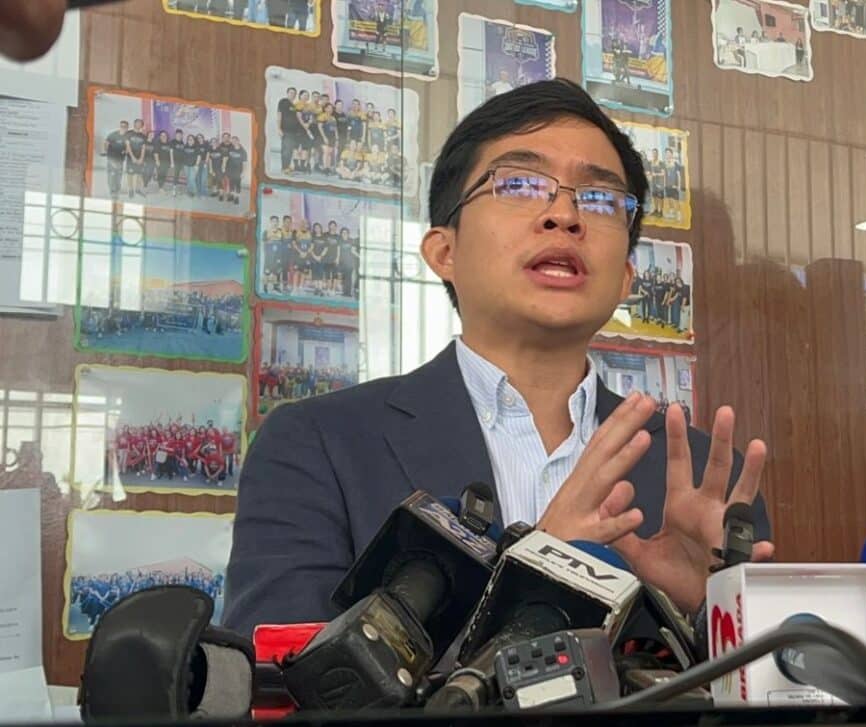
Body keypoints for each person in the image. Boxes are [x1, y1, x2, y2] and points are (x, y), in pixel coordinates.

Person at [223, 79, 772, 636]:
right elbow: (283, 678)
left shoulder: (706, 480)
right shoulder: (319, 445)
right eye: (520, 184)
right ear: (445, 251)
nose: (566, 215)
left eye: (599, 199)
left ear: (627, 277)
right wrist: (539, 573)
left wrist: (704, 619)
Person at [103, 121, 129, 198]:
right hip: (112, 159)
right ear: (119, 126)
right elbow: (106, 144)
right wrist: (108, 154)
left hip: (120, 160)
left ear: (127, 128)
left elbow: (128, 147)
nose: (123, 127)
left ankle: (117, 190)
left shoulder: (127, 137)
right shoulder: (113, 135)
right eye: (122, 126)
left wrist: (126, 152)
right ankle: (112, 191)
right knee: (112, 175)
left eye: (125, 126)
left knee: (118, 176)